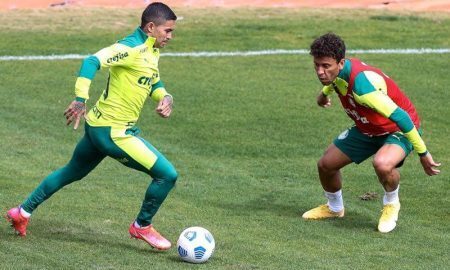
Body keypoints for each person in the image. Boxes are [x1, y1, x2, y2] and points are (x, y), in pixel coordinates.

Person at [6, 2, 178, 250]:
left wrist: (164, 96)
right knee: (166, 175)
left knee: (71, 171)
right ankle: (142, 226)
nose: (170, 36)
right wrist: (80, 98)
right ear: (151, 27)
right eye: (168, 31)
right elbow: (91, 61)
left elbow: (151, 79)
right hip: (114, 132)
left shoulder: (150, 48)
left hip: (98, 126)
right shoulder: (130, 47)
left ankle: (22, 212)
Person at [302, 33, 441, 233]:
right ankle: (334, 208)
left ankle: (392, 204)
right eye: (316, 65)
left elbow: (402, 118)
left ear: (340, 63)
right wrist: (322, 96)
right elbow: (334, 83)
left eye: (325, 66)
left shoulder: (363, 88)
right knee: (326, 165)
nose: (320, 72)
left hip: (397, 129)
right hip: (368, 128)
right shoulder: (338, 72)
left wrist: (423, 153)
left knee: (382, 164)